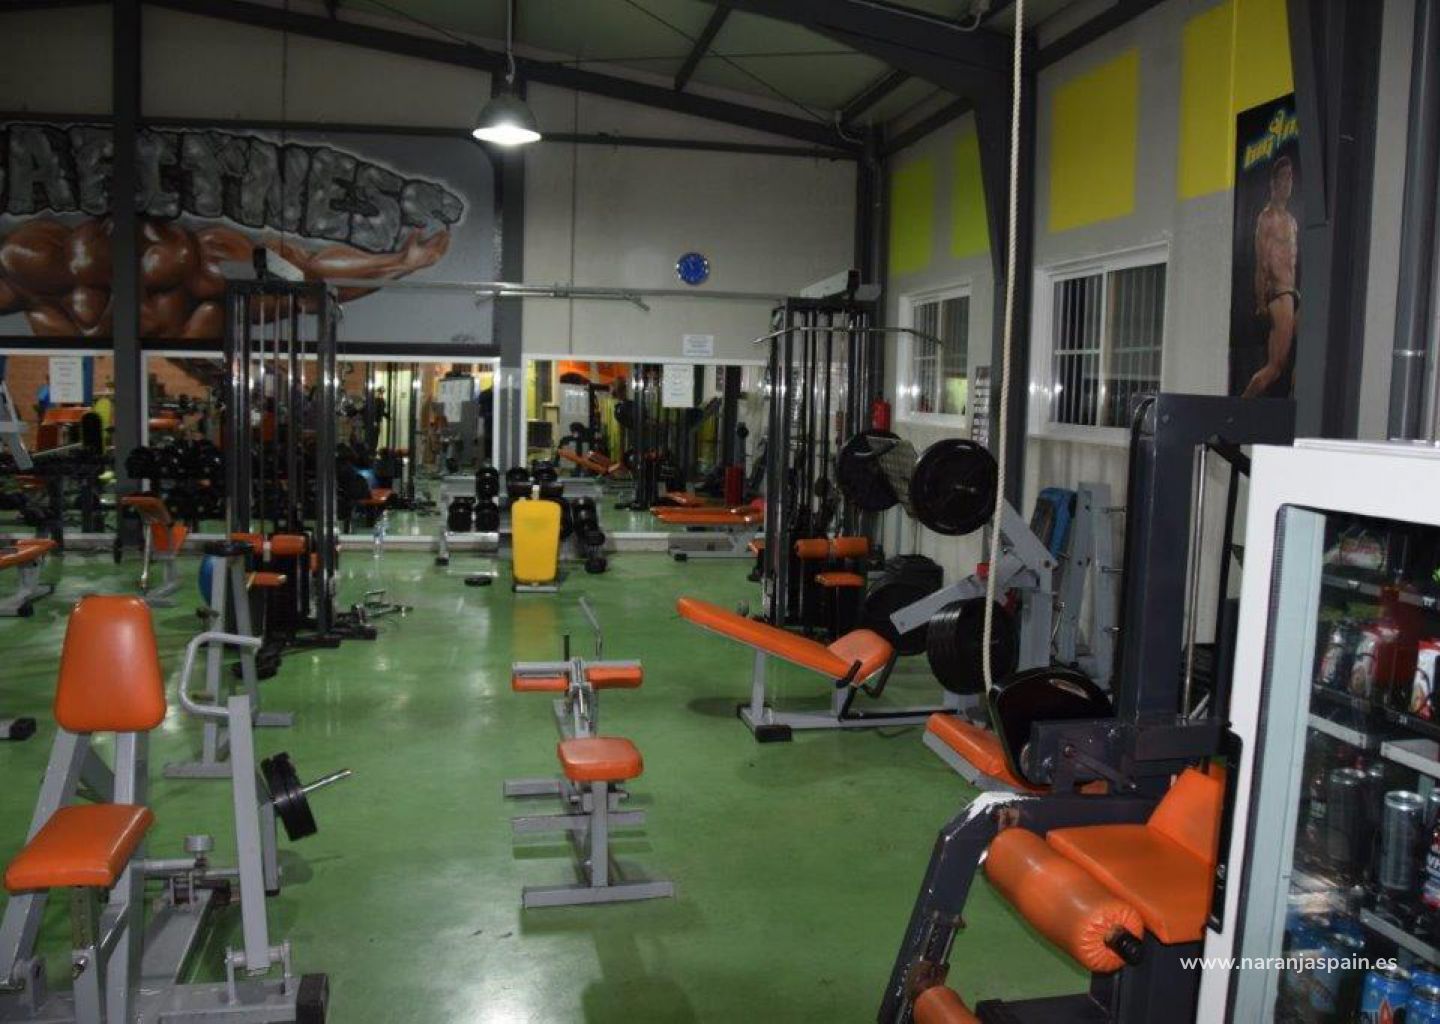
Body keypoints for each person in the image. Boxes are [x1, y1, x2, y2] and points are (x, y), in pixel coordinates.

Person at [0, 216, 450, 339]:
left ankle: (401, 261)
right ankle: (402, 263)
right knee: (305, 292)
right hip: (198, 297)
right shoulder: (44, 307)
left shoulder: (28, 259)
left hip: (195, 268)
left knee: (302, 276)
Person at [1242, 156, 1299, 398]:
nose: (1288, 182)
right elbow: (1261, 265)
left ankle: (1296, 408)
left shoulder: (1292, 221)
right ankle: (1239, 411)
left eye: (1291, 177)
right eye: (1284, 177)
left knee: (1304, 357)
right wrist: (1260, 303)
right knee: (1275, 367)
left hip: (1294, 295)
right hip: (1279, 295)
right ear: (1273, 182)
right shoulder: (1266, 219)